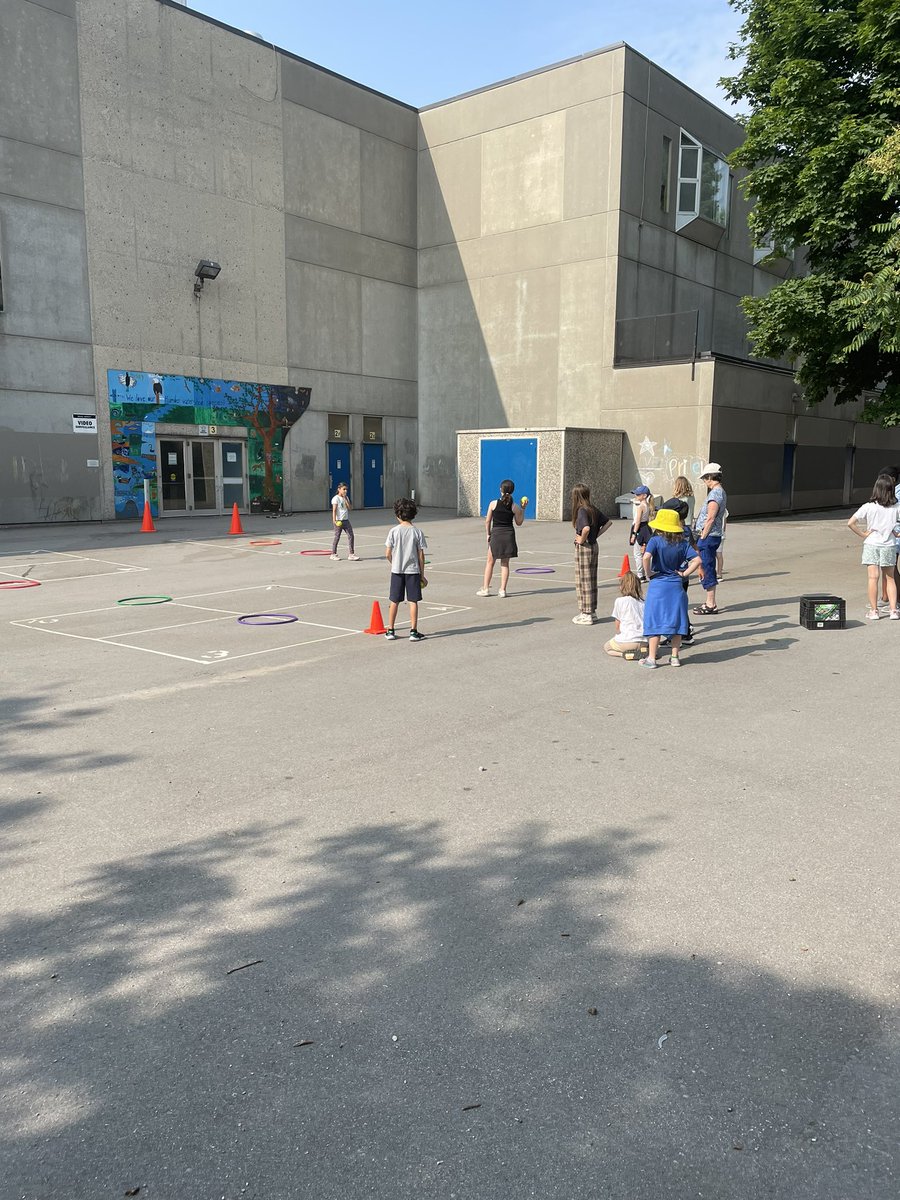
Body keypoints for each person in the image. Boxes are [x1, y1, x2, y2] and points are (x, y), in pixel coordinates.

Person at [640, 507, 701, 668]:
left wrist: (648, 573)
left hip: (658, 585)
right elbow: (697, 560)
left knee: (655, 620)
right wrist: (684, 573)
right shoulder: (683, 543)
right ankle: (675, 657)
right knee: (676, 620)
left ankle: (651, 658)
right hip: (676, 585)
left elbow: (646, 557)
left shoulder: (655, 541)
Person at [846, 475, 900, 620]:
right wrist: (896, 532)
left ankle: (874, 611)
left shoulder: (869, 507)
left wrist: (864, 534)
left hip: (872, 544)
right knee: (890, 578)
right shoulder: (896, 507)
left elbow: (851, 523)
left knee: (872, 578)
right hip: (889, 545)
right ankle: (894, 611)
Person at [384, 498, 428, 640]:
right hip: (413, 571)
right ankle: (413, 631)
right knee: (413, 601)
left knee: (394, 600)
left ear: (397, 514)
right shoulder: (417, 532)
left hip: (397, 570)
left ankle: (390, 630)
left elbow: (387, 554)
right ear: (414, 514)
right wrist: (422, 575)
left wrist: (394, 562)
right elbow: (421, 555)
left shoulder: (393, 531)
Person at [477, 479, 527, 597]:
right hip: (508, 535)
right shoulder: (514, 506)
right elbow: (519, 522)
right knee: (505, 564)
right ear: (512, 491)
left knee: (490, 562)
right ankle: (502, 590)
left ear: (501, 489)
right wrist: (523, 509)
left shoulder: (493, 504)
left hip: (496, 534)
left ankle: (485, 589)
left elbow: (487, 521)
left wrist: (488, 534)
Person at [571, 483, 612, 624]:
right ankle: (592, 611)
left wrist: (581, 540)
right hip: (594, 545)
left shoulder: (582, 510)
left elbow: (586, 528)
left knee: (583, 579)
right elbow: (608, 523)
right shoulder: (592, 509)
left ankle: (586, 612)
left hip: (585, 547)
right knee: (592, 578)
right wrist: (596, 535)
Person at [692, 463, 727, 615]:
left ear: (710, 477)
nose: (704, 481)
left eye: (705, 478)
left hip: (709, 536)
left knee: (707, 566)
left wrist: (702, 535)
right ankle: (709, 601)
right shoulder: (719, 492)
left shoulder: (715, 494)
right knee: (706, 565)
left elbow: (711, 517)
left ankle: (711, 604)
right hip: (713, 535)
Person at [604, 571, 647, 658]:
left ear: (622, 587)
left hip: (627, 641)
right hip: (644, 641)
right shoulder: (643, 603)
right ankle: (645, 651)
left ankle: (624, 654)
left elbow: (617, 626)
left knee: (607, 647)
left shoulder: (620, 601)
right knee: (643, 646)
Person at [629, 485, 655, 579]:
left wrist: (634, 534)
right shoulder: (648, 505)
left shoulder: (640, 507)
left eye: (638, 494)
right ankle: (648, 572)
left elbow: (638, 521)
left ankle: (641, 575)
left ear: (644, 495)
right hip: (646, 529)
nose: (636, 495)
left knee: (638, 554)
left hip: (640, 529)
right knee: (646, 552)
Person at [330, 482, 360, 561]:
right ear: (339, 489)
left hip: (346, 520)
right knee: (337, 537)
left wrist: (345, 499)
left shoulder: (346, 498)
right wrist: (334, 520)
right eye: (344, 489)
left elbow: (350, 508)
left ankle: (351, 554)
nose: (345, 491)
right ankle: (333, 554)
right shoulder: (335, 498)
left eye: (346, 489)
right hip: (338, 521)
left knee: (351, 536)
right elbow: (334, 510)